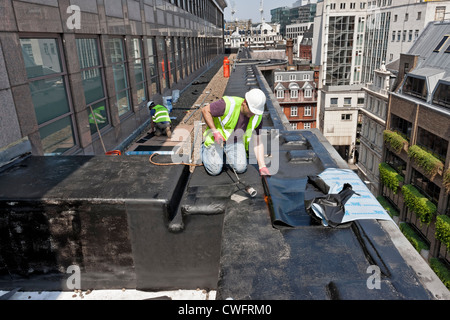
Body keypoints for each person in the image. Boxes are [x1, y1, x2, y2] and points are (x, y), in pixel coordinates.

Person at [201, 88, 270, 176]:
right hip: (216, 139)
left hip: (234, 141)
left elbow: (258, 142)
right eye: (251, 111)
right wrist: (214, 131)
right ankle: (203, 149)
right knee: (215, 170)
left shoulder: (257, 117)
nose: (252, 114)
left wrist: (262, 166)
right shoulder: (228, 104)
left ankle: (224, 154)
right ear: (244, 102)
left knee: (241, 168)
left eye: (255, 112)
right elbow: (205, 110)